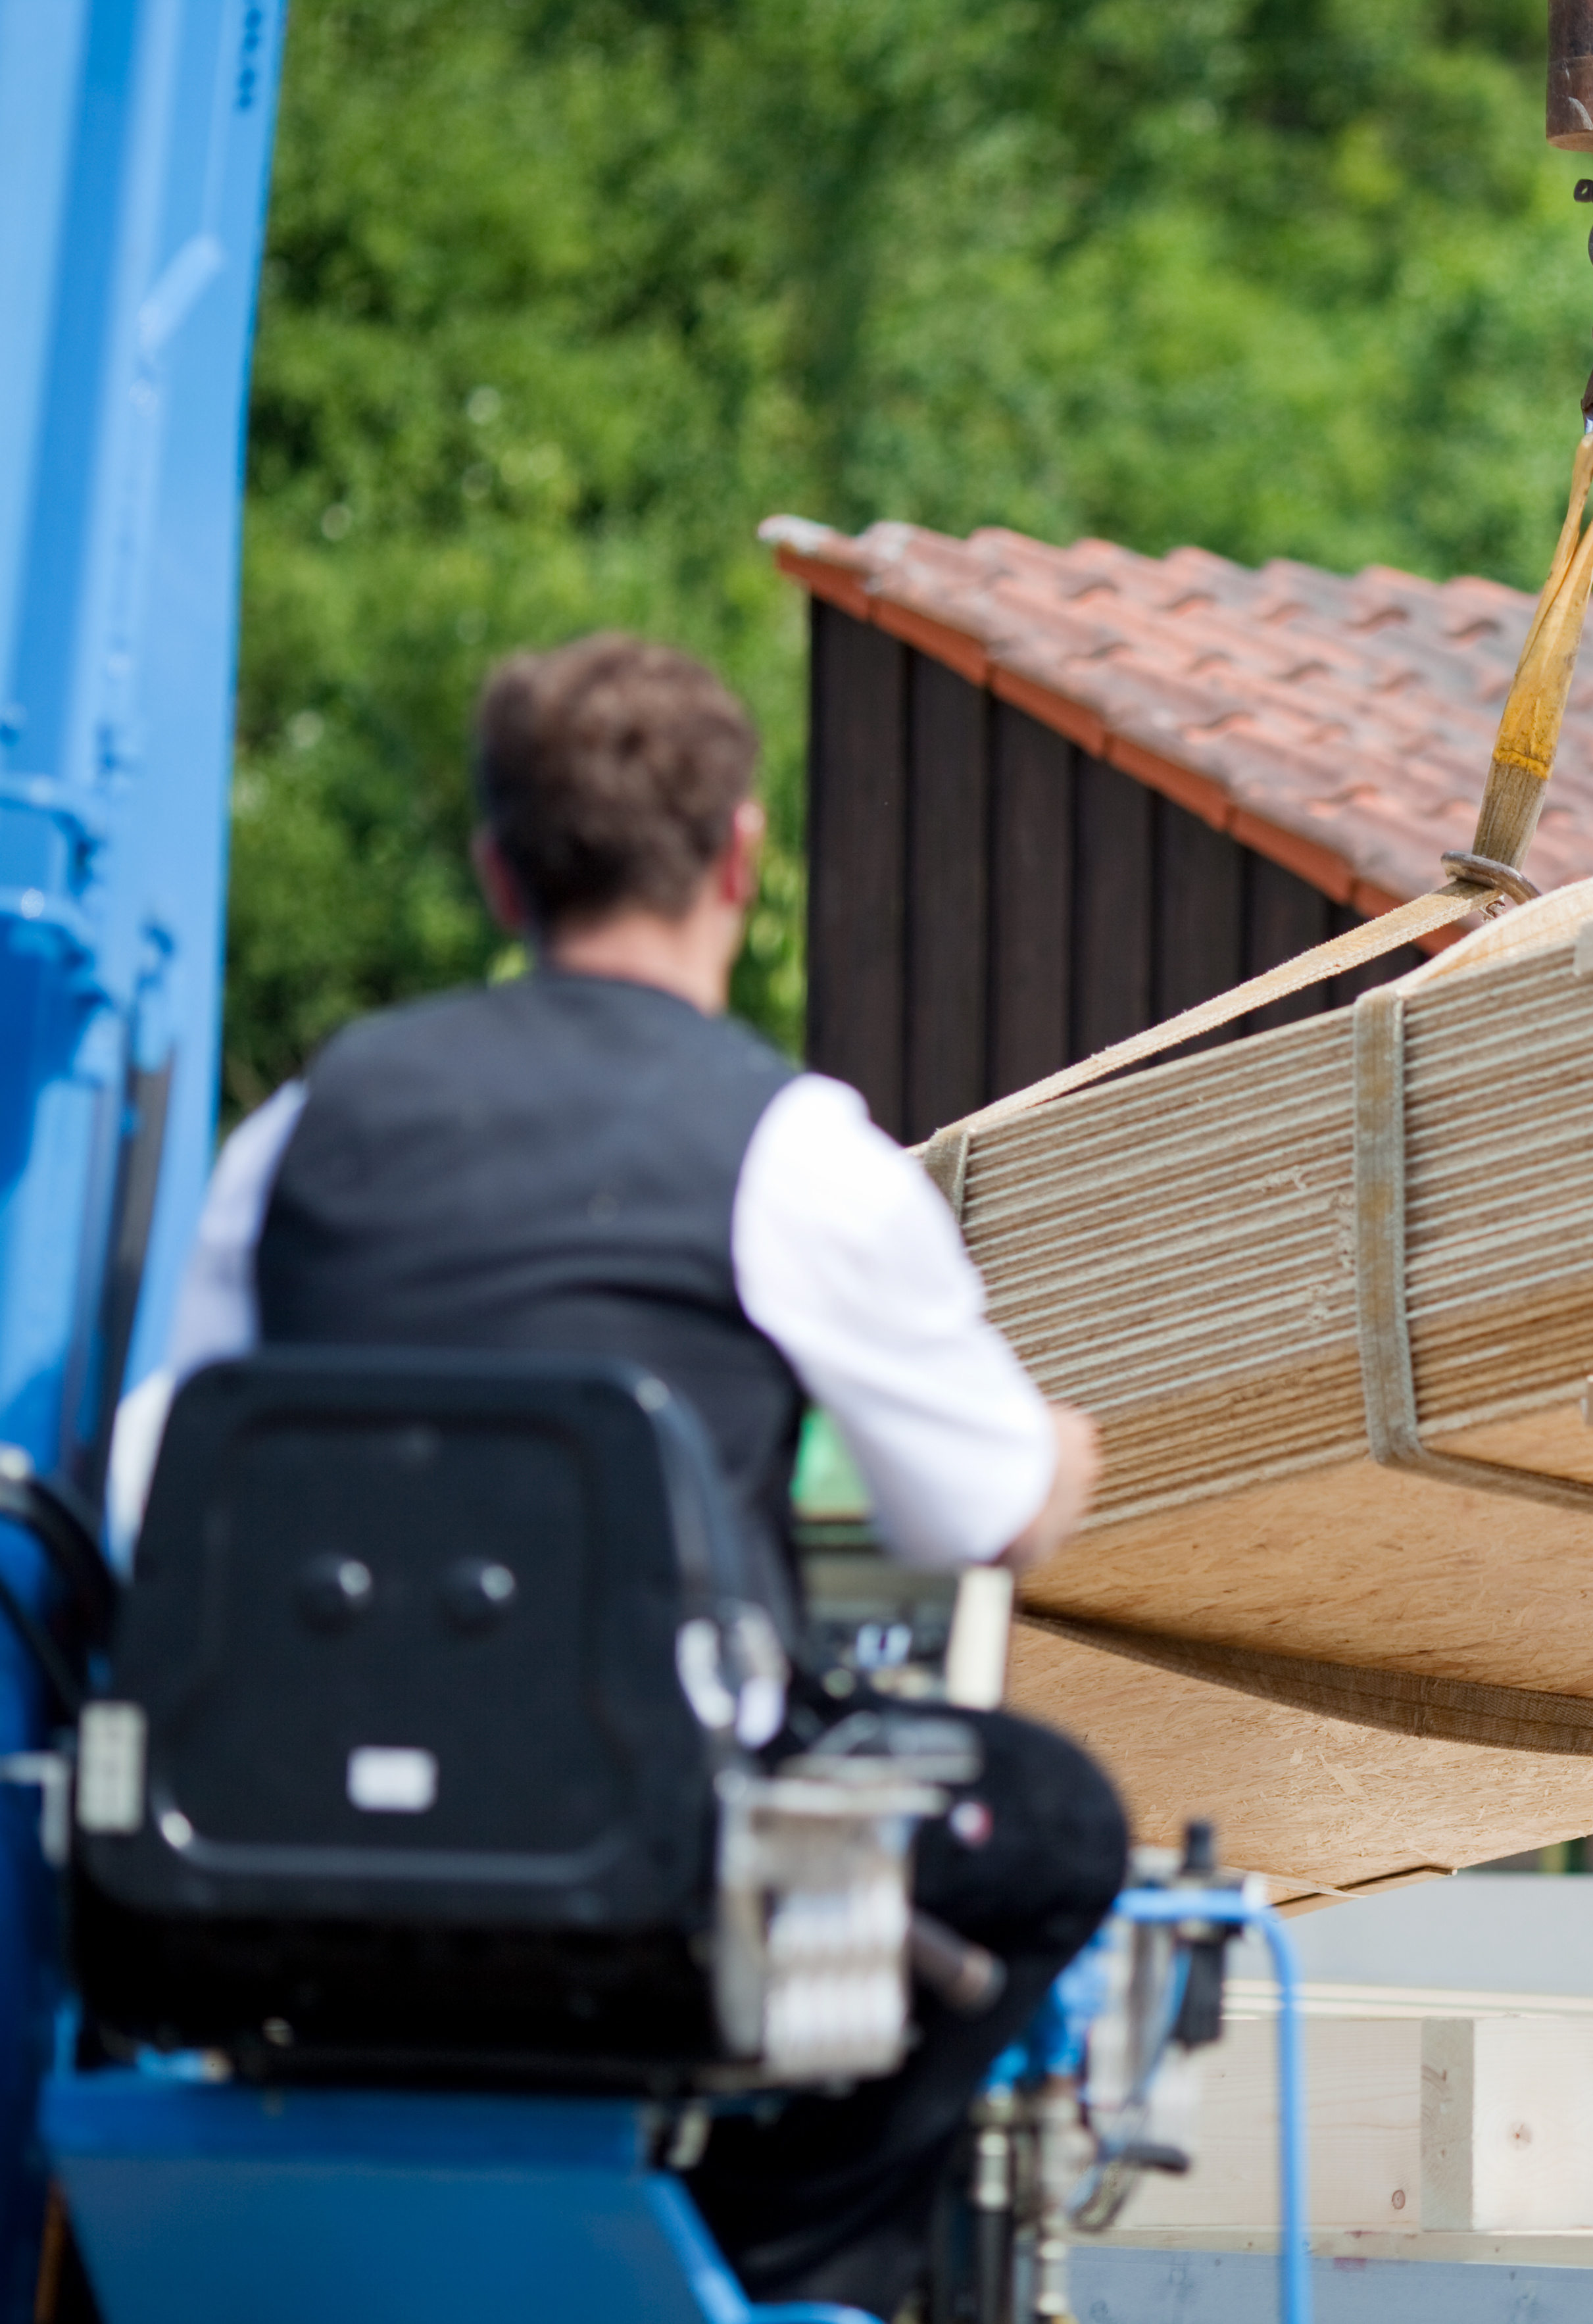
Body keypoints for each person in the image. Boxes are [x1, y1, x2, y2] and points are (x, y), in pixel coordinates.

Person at [113, 633, 1130, 2307]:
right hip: (634, 1872)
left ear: (498, 870)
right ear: (742, 856)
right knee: (1051, 1821)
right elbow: (984, 1516)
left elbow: (162, 1489)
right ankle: (767, 2266)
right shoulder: (793, 1147)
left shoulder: (304, 1123)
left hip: (274, 1864)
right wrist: (1064, 1456)